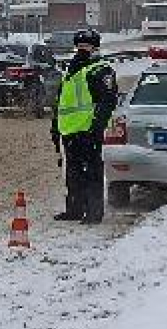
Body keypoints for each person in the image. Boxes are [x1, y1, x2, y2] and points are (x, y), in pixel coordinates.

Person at [51, 28, 119, 224]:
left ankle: (94, 212)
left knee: (92, 172)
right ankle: (74, 209)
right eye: (79, 46)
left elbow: (108, 101)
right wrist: (55, 125)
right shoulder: (71, 69)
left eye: (86, 46)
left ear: (95, 48)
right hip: (69, 130)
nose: (81, 49)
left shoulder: (100, 69)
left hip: (88, 130)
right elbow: (62, 101)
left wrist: (96, 126)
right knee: (72, 173)